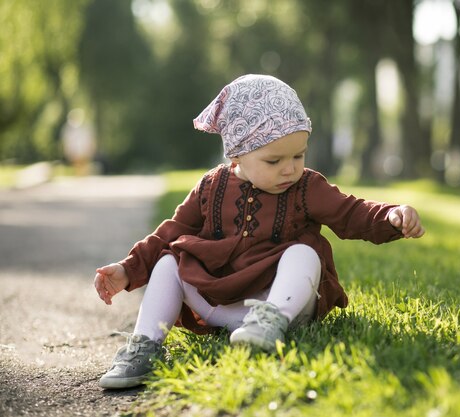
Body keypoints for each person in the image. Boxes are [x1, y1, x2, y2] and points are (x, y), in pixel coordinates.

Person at [94, 74, 425, 389]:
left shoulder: (307, 186)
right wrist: (128, 269)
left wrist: (391, 216)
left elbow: (350, 212)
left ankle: (268, 324)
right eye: (274, 160)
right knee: (169, 261)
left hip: (282, 303)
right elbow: (171, 231)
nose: (290, 168)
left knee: (304, 253)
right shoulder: (211, 186)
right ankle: (145, 346)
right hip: (221, 303)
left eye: (299, 155)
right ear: (237, 155)